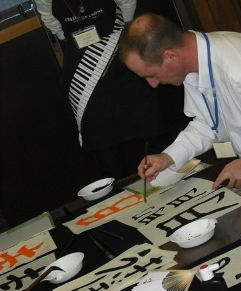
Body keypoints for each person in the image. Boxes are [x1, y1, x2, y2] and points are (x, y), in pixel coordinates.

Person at [119, 13, 241, 190]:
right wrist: (168, 156)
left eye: (152, 75)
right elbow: (208, 123)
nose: (153, 84)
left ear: (171, 56)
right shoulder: (192, 63)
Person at [34, 0, 175, 180]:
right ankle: (118, 193)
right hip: (81, 63)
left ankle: (167, 176)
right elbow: (49, 19)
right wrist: (70, 37)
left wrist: (123, 32)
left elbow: (127, 2)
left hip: (119, 46)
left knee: (150, 120)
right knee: (100, 135)